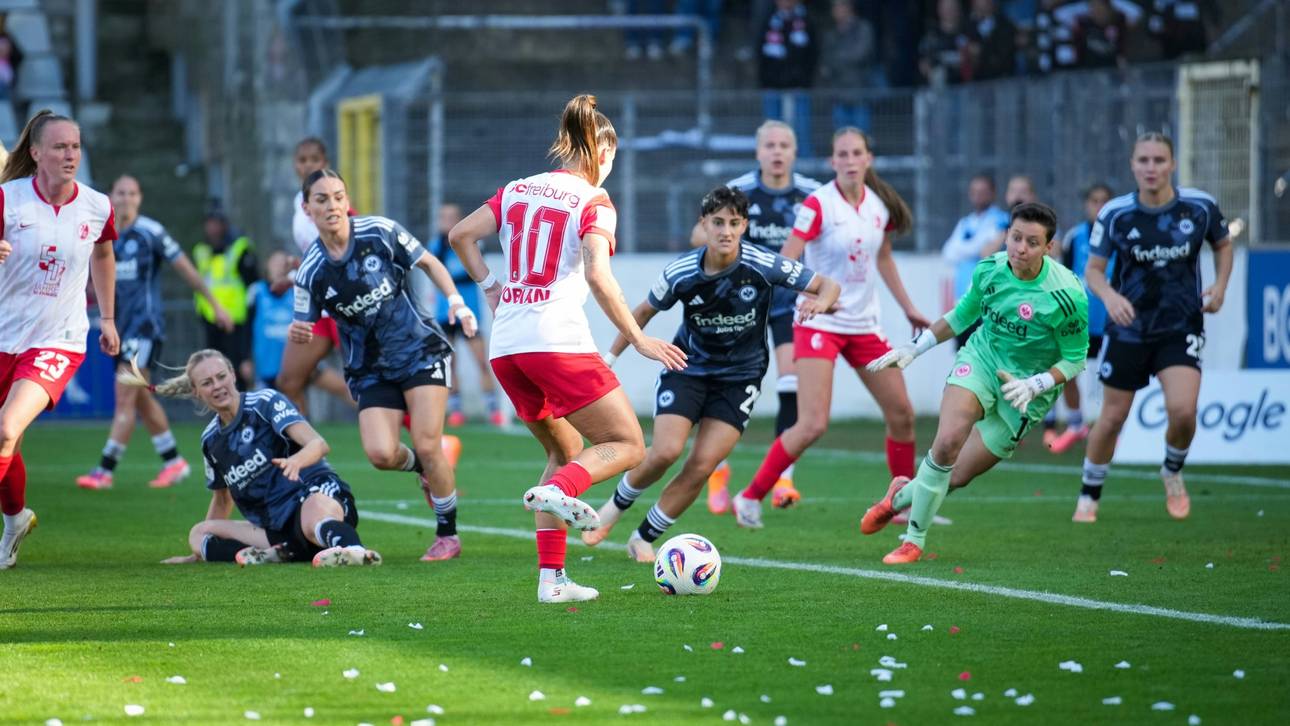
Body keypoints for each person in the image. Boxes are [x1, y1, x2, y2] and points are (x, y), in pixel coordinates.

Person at [448, 94, 687, 603]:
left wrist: (490, 284)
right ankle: (564, 491)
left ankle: (552, 581)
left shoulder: (517, 190)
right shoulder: (594, 202)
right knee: (628, 445)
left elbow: (461, 234)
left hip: (507, 346)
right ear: (599, 151)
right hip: (556, 342)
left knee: (564, 450)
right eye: (613, 156)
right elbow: (600, 275)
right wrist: (639, 337)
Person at [583, 186, 840, 561]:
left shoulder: (763, 264)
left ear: (744, 226)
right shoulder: (682, 271)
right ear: (703, 225)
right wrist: (609, 359)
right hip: (688, 368)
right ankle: (612, 510)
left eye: (734, 223)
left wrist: (822, 301)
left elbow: (827, 285)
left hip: (740, 379)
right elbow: (640, 315)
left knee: (703, 464)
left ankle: (643, 537)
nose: (725, 231)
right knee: (666, 450)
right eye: (717, 222)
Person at [861, 202, 1089, 563]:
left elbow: (1075, 358)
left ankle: (897, 499)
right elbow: (963, 314)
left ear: (1048, 248)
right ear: (1006, 236)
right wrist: (914, 348)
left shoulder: (1068, 295)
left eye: (1032, 242)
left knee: (955, 477)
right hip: (981, 361)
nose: (1020, 248)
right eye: (1015, 238)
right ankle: (913, 540)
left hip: (1027, 394)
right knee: (948, 441)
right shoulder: (990, 270)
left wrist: (1038, 384)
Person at [733, 128, 929, 529]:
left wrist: (909, 308)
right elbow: (787, 257)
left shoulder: (878, 206)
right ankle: (749, 496)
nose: (851, 160)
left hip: (864, 325)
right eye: (843, 154)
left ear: (868, 158)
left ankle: (903, 503)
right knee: (812, 424)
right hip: (820, 321)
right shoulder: (818, 204)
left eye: (857, 153)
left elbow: (885, 259)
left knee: (902, 414)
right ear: (832, 161)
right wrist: (808, 295)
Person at [291, 169, 476, 562]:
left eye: (338, 196)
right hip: (370, 368)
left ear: (347, 200)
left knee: (427, 442)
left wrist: (456, 301)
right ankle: (424, 469)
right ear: (307, 209)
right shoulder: (311, 271)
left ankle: (448, 534)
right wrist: (300, 331)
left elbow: (430, 263)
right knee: (380, 454)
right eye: (321, 199)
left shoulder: (379, 231)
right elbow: (305, 322)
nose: (332, 205)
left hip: (420, 350)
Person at [1072, 133, 1232, 523]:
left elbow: (1223, 245)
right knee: (1112, 418)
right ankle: (1089, 495)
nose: (1151, 168)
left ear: (1172, 164)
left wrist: (1221, 286)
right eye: (1143, 160)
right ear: (1132, 165)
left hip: (1180, 325)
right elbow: (1093, 271)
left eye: (1159, 160)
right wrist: (1110, 297)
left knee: (1183, 412)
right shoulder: (1115, 214)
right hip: (1128, 328)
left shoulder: (1200, 206)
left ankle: (1172, 471)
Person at [0, 110, 120, 570]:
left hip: (58, 339)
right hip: (4, 336)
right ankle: (14, 521)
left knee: (7, 429)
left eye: (75, 146)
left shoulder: (96, 205)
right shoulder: (8, 200)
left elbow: (104, 252)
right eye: (59, 147)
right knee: (8, 445)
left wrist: (107, 317)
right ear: (35, 153)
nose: (70, 155)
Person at [136, 350, 380, 567]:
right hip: (278, 530)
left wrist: (296, 461)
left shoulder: (264, 403)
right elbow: (222, 500)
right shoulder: (210, 440)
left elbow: (318, 444)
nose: (217, 386)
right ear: (196, 391)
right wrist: (199, 553)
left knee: (313, 515)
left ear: (233, 374)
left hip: (319, 496)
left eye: (221, 376)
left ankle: (353, 551)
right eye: (207, 383)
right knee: (199, 533)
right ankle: (273, 554)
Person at [74, 175, 235, 491]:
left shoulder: (151, 232)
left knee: (125, 395)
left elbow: (185, 268)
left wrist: (214, 304)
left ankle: (104, 471)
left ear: (140, 198)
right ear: (110, 196)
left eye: (132, 193)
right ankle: (173, 461)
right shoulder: (104, 234)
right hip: (118, 328)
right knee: (140, 398)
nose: (126, 199)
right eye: (120, 193)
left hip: (144, 328)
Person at [694, 120, 822, 514]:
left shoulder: (813, 195)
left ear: (795, 151)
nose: (777, 151)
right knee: (714, 380)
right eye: (770, 145)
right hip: (737, 303)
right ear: (758, 151)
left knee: (790, 380)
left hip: (787, 303)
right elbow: (698, 237)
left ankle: (784, 478)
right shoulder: (739, 193)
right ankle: (717, 472)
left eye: (784, 144)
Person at [276, 137, 352, 413]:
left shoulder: (335, 202)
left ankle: (427, 439)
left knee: (370, 383)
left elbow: (350, 243)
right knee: (289, 380)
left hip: (344, 303)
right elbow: (317, 254)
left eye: (314, 159)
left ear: (326, 163)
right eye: (302, 159)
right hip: (317, 306)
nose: (308, 165)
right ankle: (308, 454)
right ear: (295, 165)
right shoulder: (301, 201)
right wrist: (293, 268)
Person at [425, 203, 506, 427]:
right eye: (443, 217)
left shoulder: (468, 242)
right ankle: (456, 409)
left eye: (451, 217)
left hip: (469, 312)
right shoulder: (435, 246)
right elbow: (436, 273)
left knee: (481, 361)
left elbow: (470, 272)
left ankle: (493, 409)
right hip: (446, 313)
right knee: (449, 363)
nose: (446, 221)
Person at [1047, 183, 1113, 454]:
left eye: (1104, 202)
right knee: (1066, 369)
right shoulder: (1075, 237)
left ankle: (1111, 430)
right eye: (1094, 201)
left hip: (1111, 319)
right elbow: (1063, 275)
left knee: (1113, 378)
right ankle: (1076, 424)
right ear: (1086, 204)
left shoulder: (1120, 236)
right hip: (1079, 319)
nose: (1098, 207)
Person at [941, 174, 1011, 348]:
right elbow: (948, 253)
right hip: (964, 301)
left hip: (990, 300)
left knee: (988, 355)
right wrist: (972, 248)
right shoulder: (966, 222)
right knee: (964, 356)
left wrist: (964, 248)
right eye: (974, 191)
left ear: (993, 193)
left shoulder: (1001, 219)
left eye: (983, 191)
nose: (978, 196)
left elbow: (984, 251)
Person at [193, 209, 258, 386]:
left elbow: (252, 285)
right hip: (210, 319)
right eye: (209, 224)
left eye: (216, 224)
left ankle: (240, 408)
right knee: (211, 367)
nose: (212, 229)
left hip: (236, 320)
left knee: (236, 369)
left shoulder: (239, 248)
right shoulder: (201, 250)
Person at [757, 0, 818, 158]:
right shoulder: (769, 18)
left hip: (799, 85)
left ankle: (804, 163)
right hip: (772, 84)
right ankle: (771, 162)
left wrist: (805, 79)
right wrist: (765, 79)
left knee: (801, 127)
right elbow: (759, 49)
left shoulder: (806, 19)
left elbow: (813, 52)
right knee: (772, 129)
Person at [818, 0, 877, 133]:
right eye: (834, 7)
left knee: (862, 137)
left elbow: (861, 54)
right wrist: (842, 59)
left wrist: (837, 59)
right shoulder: (831, 34)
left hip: (859, 92)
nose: (836, 10)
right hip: (838, 93)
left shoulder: (863, 28)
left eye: (839, 6)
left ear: (849, 7)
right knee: (841, 138)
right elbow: (825, 63)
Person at [246, 250, 296, 390]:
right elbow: (246, 328)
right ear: (267, 266)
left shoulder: (296, 292)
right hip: (264, 367)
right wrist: (246, 359)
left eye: (283, 263)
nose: (279, 267)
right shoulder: (256, 292)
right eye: (275, 263)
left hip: (291, 367)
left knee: (294, 407)